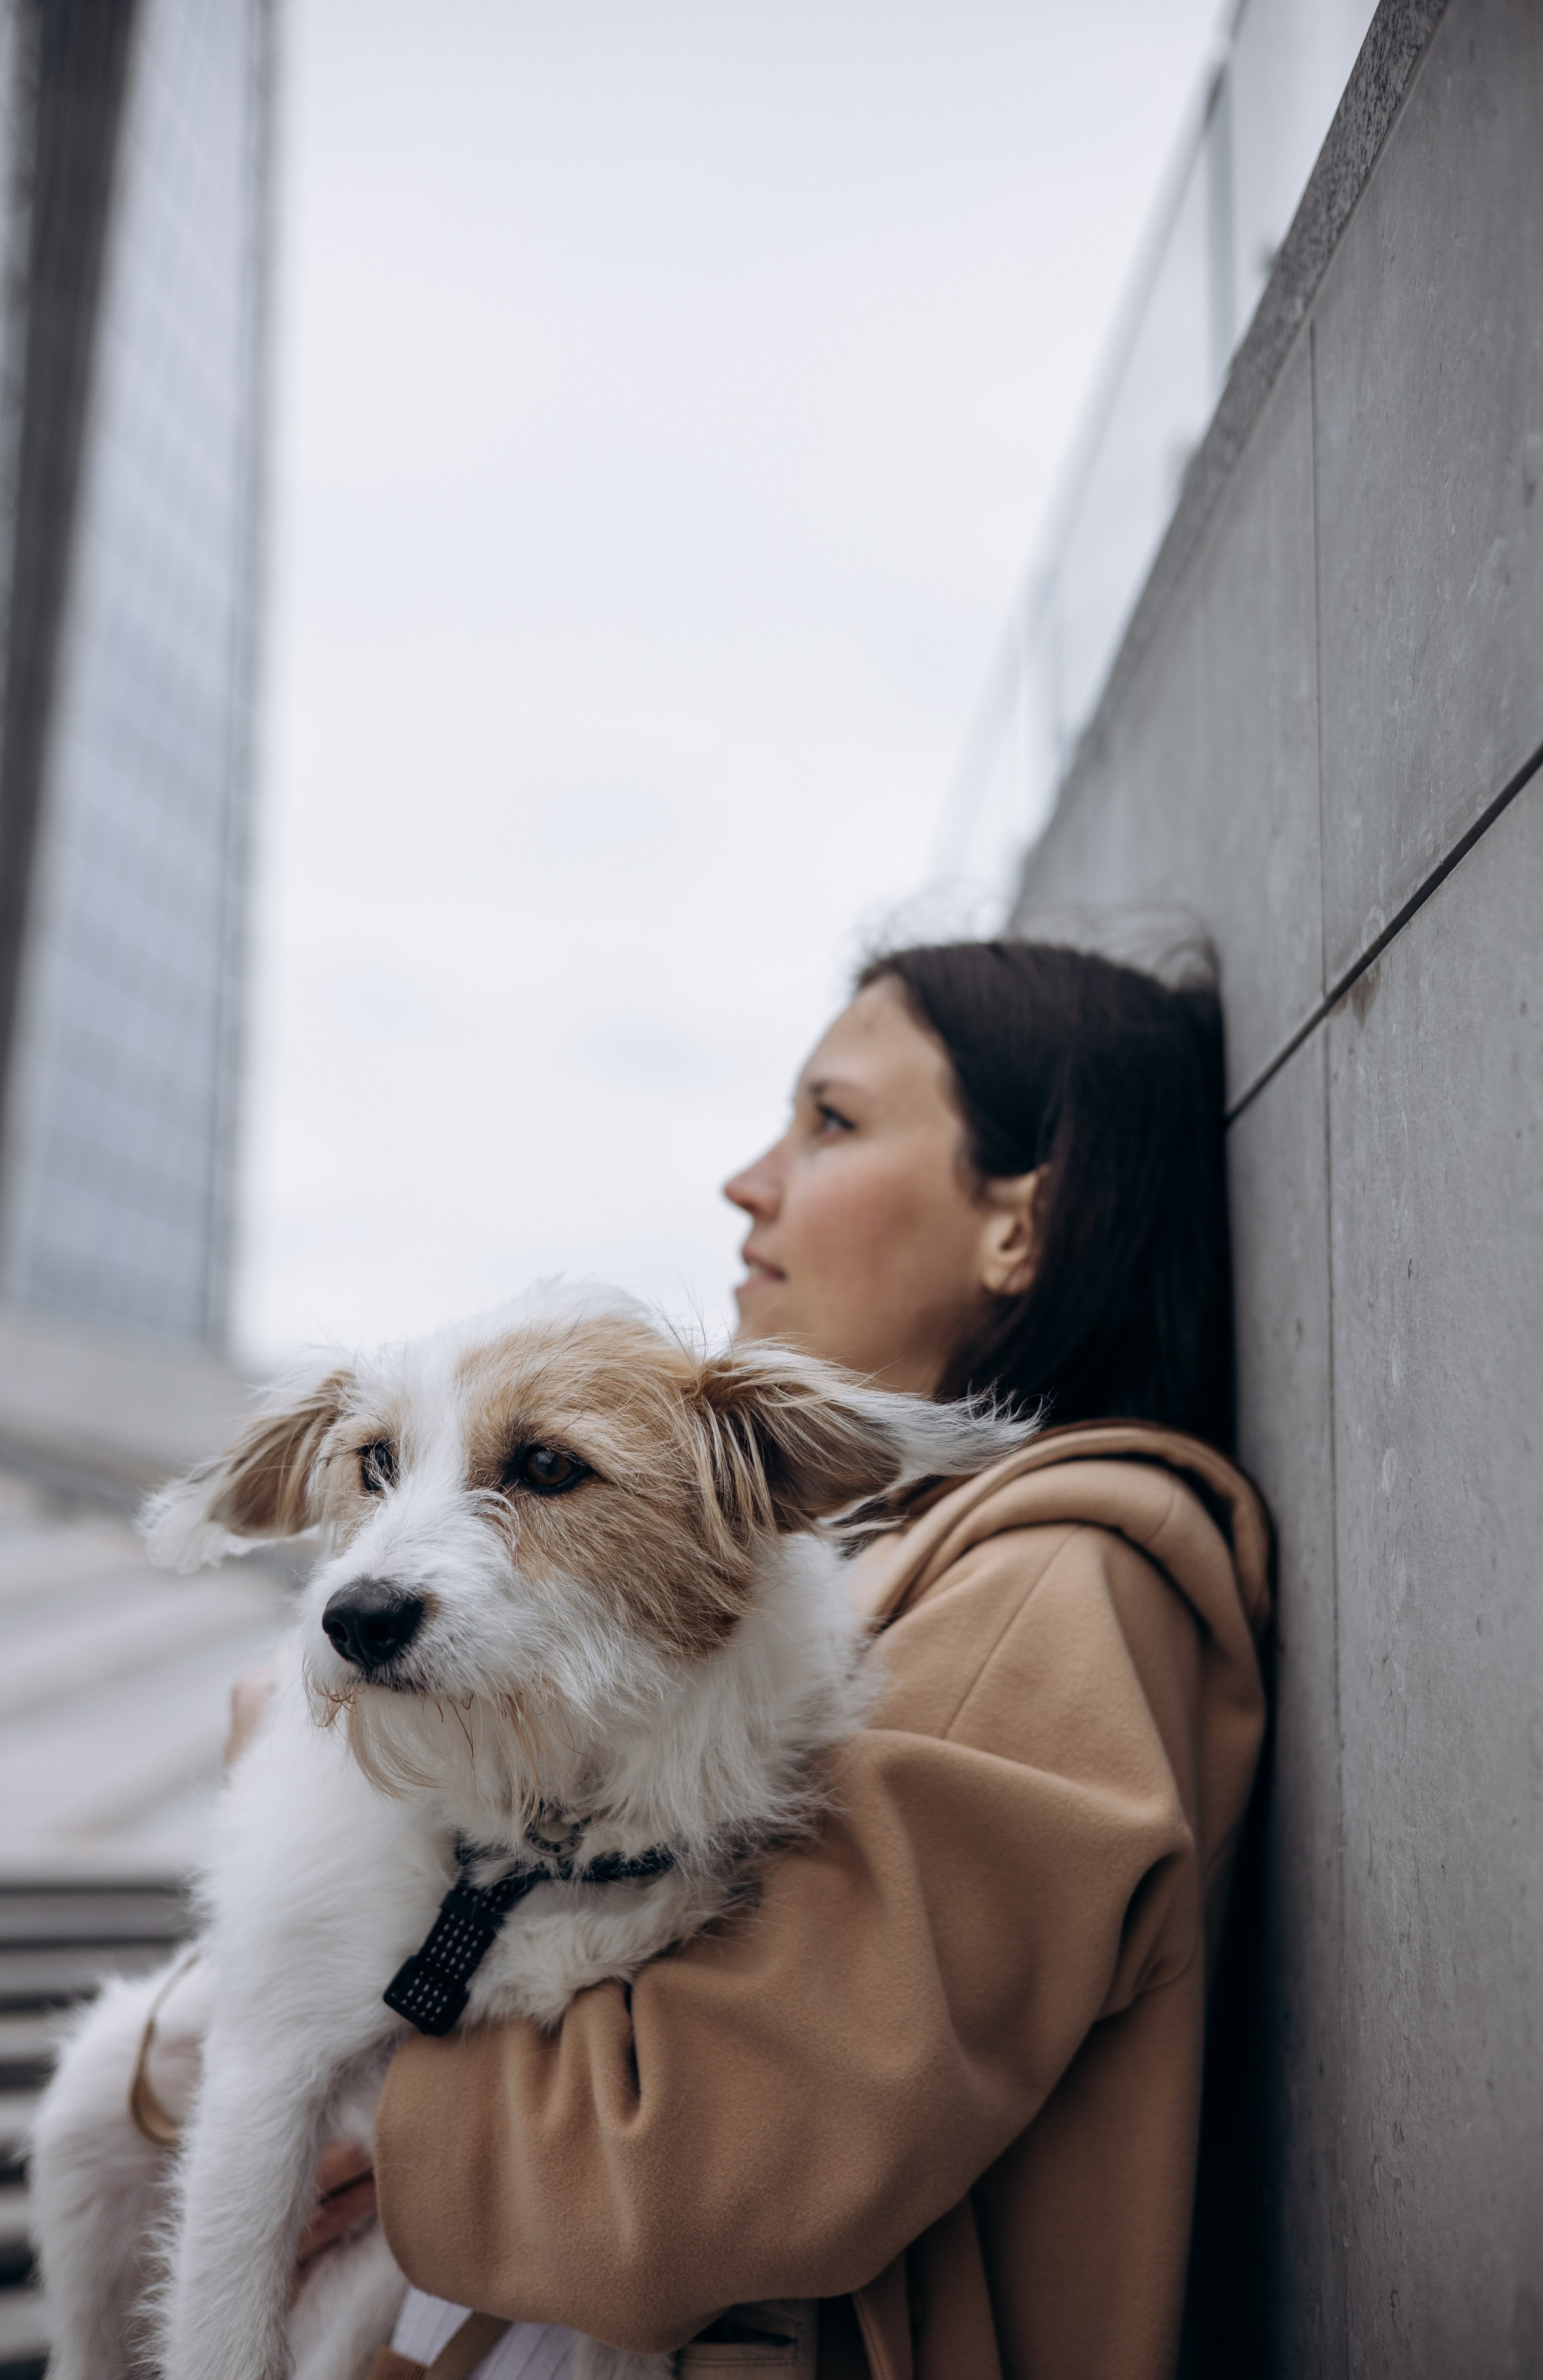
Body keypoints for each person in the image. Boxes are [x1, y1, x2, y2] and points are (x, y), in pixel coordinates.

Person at [310, 938, 1272, 2380]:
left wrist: (306, 2091)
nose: (747, 1184)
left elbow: (688, 2171)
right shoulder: (906, 1566)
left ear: (1023, 1221)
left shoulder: (1054, 1589)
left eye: (829, 1121)